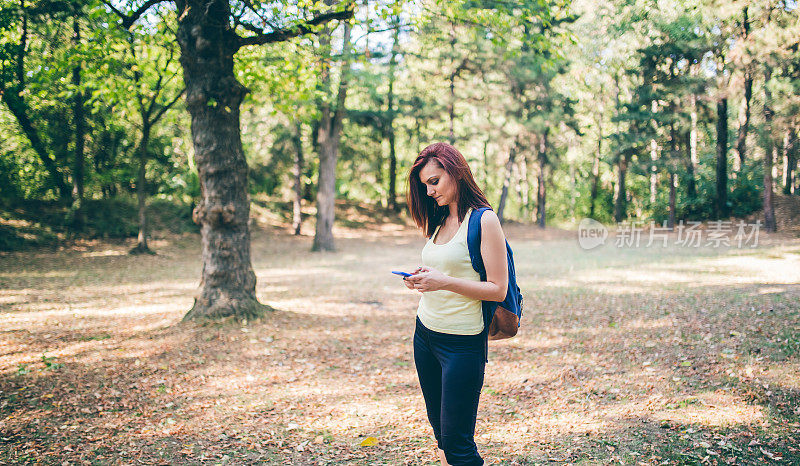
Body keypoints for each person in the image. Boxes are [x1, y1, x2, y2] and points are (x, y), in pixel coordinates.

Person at [403, 142, 508, 466]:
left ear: (456, 171)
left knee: (459, 445)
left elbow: (498, 289)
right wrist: (423, 277)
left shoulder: (484, 220)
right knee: (442, 438)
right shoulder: (439, 220)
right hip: (425, 336)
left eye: (434, 181)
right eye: (425, 185)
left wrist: (442, 282)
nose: (430, 190)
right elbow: (446, 269)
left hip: (462, 345)